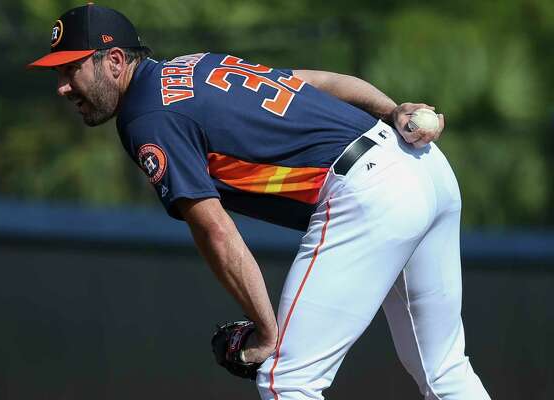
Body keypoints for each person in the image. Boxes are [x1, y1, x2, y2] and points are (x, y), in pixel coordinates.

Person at [28, 4, 490, 400]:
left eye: (72, 68)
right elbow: (322, 81)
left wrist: (266, 331)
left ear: (113, 60)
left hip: (369, 190)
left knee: (287, 378)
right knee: (444, 369)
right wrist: (392, 110)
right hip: (424, 167)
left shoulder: (145, 117)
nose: (63, 85)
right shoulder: (197, 65)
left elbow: (214, 228)